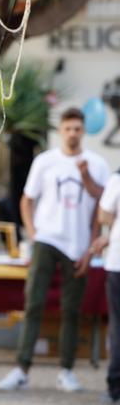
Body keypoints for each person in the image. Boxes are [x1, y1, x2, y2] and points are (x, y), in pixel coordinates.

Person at [0, 107, 109, 393]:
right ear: (61, 131)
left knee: (72, 310)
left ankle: (67, 370)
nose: (72, 134)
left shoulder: (96, 163)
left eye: (77, 129)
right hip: (47, 239)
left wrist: (91, 247)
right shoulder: (46, 161)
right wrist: (33, 235)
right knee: (33, 304)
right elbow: (26, 200)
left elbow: (102, 209)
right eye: (68, 128)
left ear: (83, 131)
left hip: (78, 245)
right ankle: (22, 369)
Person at [92, 170, 120, 403]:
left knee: (118, 327)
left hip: (118, 263)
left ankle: (115, 389)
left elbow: (104, 215)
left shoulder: (117, 178)